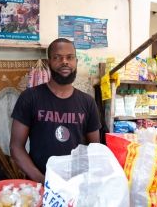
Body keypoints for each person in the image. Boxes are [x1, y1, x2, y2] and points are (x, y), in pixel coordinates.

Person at [10, 38, 101, 183]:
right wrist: (43, 181)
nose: (64, 61)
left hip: (75, 185)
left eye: (70, 57)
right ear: (48, 62)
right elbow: (16, 147)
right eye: (57, 57)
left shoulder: (88, 102)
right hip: (39, 184)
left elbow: (94, 149)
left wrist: (79, 181)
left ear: (76, 62)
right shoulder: (30, 97)